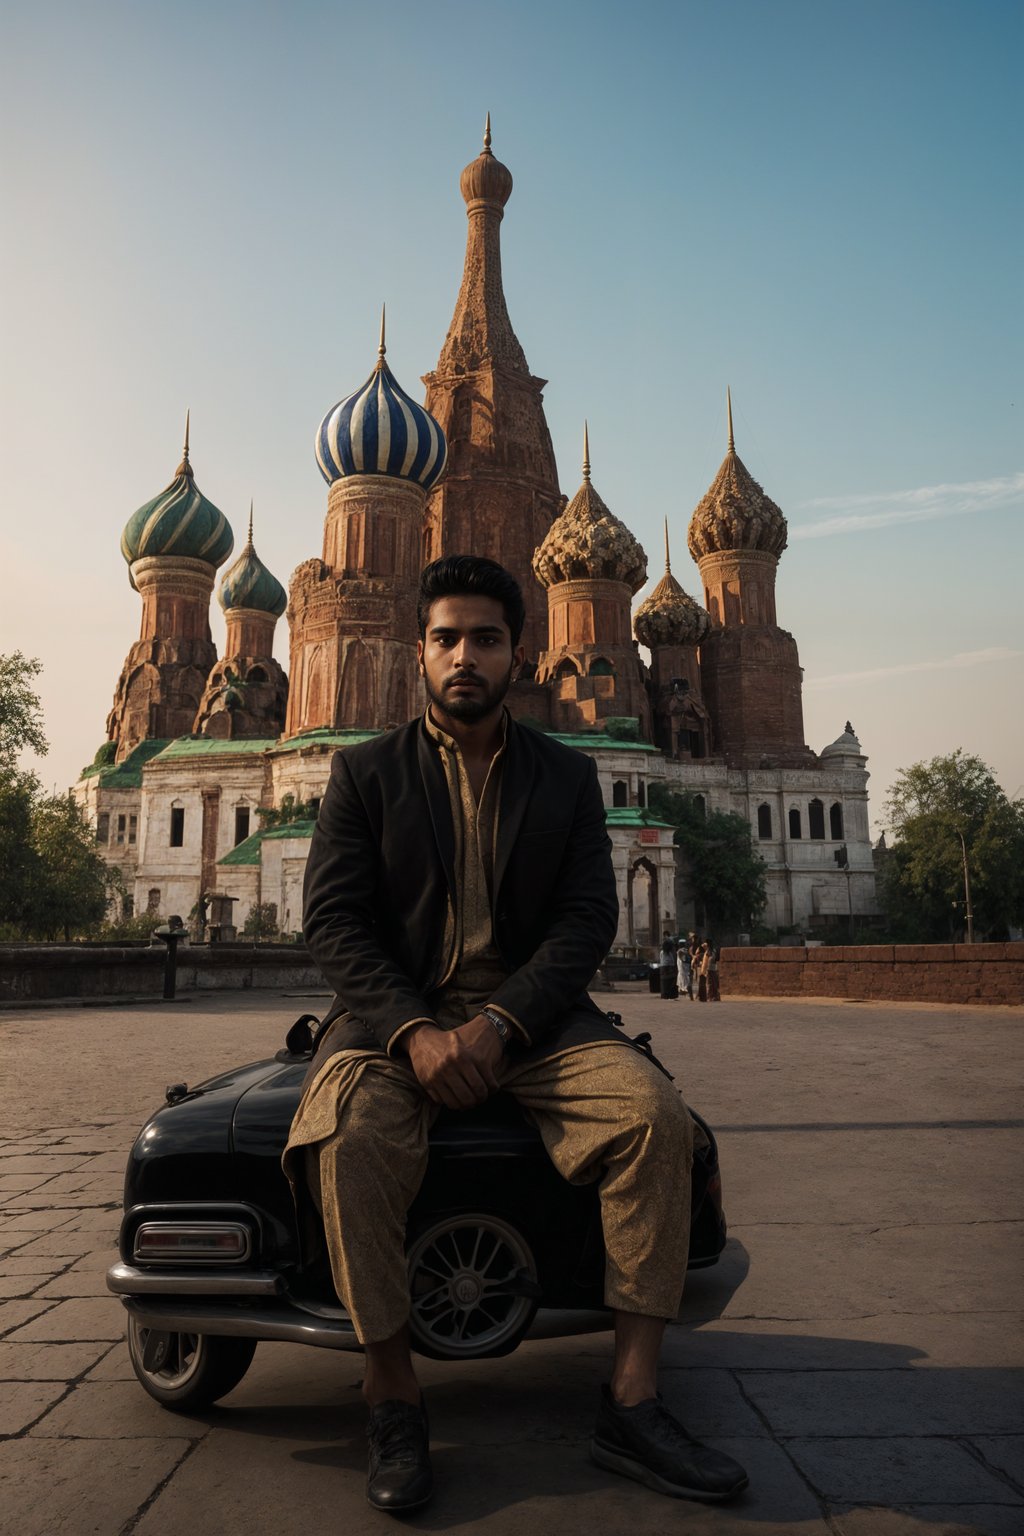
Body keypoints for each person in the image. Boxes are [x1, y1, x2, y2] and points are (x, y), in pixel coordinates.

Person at [284, 555, 748, 1513]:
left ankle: (632, 1397)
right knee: (352, 1138)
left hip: (535, 1023)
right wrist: (414, 1031)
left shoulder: (566, 777)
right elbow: (333, 923)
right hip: (391, 1024)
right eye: (447, 638)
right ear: (420, 651)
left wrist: (500, 1024)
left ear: (519, 654)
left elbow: (585, 920)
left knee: (655, 1119)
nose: (465, 657)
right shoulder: (364, 774)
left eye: (486, 639)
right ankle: (393, 1394)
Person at [658, 931, 678, 1000]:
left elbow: (660, 959)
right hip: (671, 966)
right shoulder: (671, 952)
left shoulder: (662, 952)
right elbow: (674, 958)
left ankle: (664, 995)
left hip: (663, 967)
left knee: (664, 982)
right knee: (671, 981)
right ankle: (671, 995)